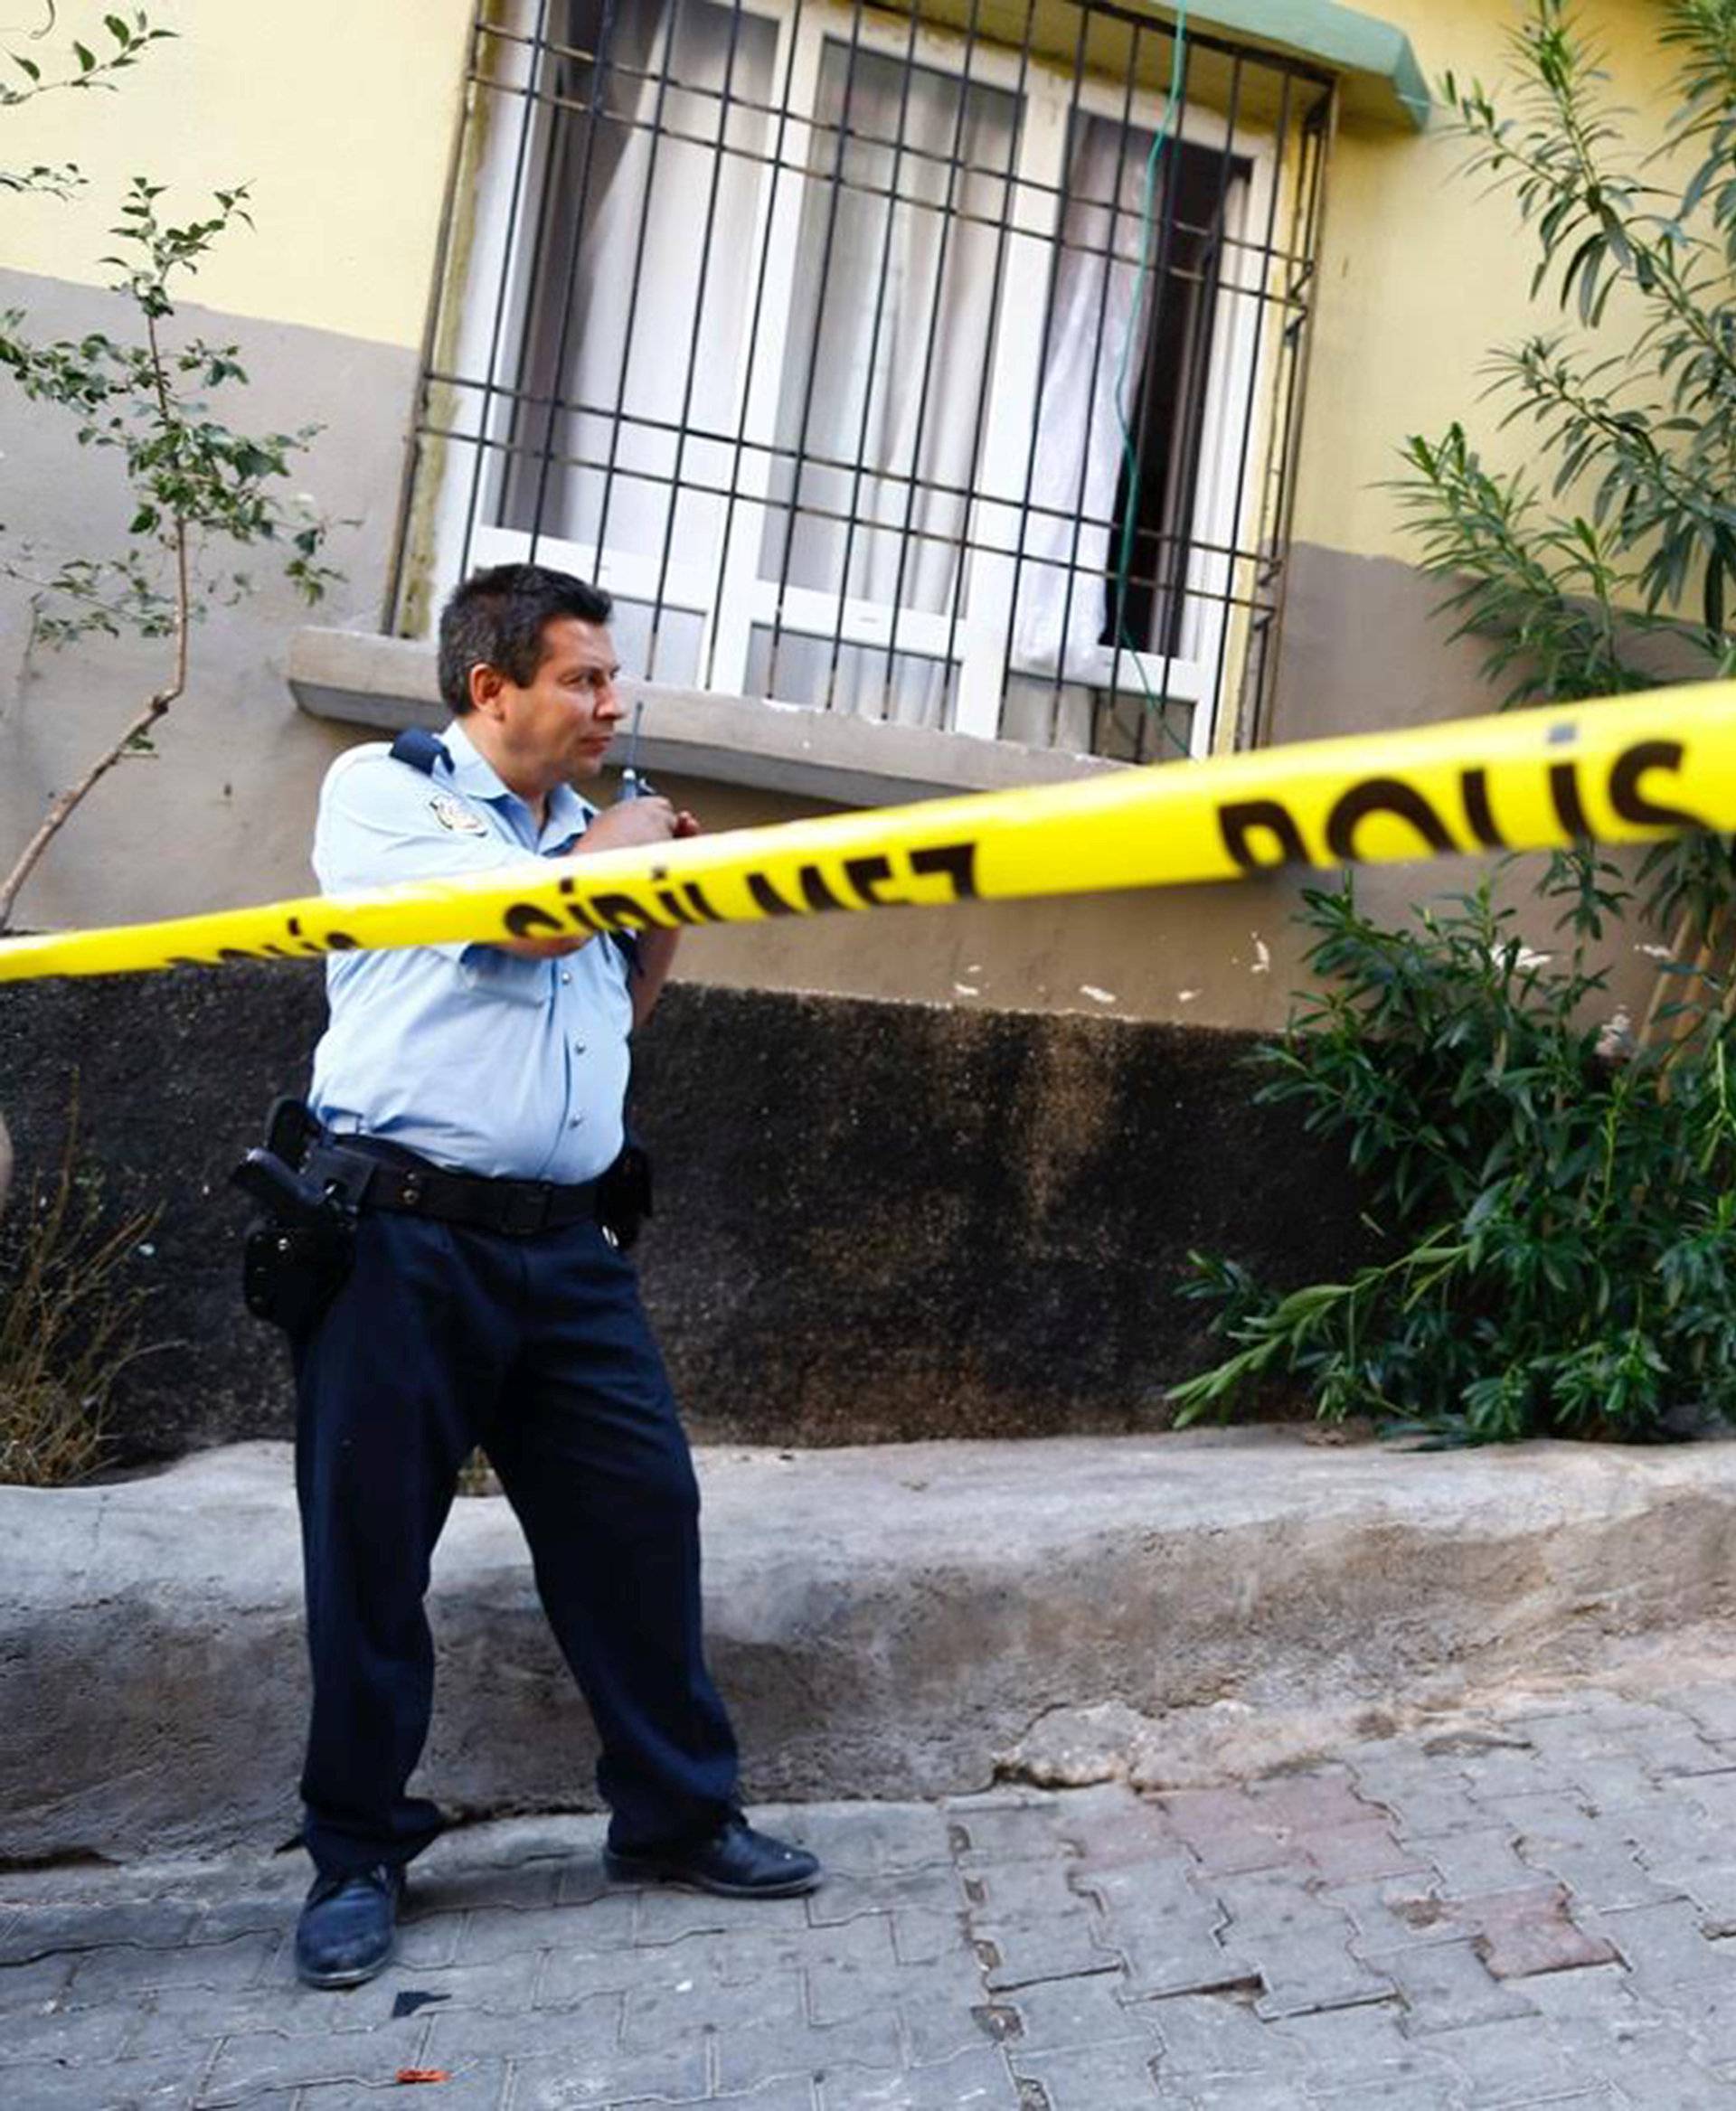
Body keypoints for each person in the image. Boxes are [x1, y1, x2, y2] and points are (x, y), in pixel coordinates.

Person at [286, 561, 818, 1990]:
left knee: (641, 1521)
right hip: (401, 1236)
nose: (612, 701)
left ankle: (673, 1817)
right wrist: (621, 851)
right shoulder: (387, 796)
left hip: (567, 1244)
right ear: (491, 690)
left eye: (610, 678)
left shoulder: (588, 834)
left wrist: (659, 915)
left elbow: (607, 1007)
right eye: (585, 678)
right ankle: (355, 1856)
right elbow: (519, 922)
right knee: (371, 1554)